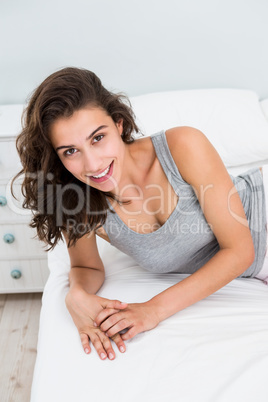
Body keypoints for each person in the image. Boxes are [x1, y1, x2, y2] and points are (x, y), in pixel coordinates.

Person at [12, 67, 268, 362]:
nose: (93, 164)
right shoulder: (77, 201)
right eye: (70, 151)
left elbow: (239, 251)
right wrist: (76, 297)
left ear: (118, 124)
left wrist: (153, 309)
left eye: (97, 137)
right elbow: (87, 268)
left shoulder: (182, 145)